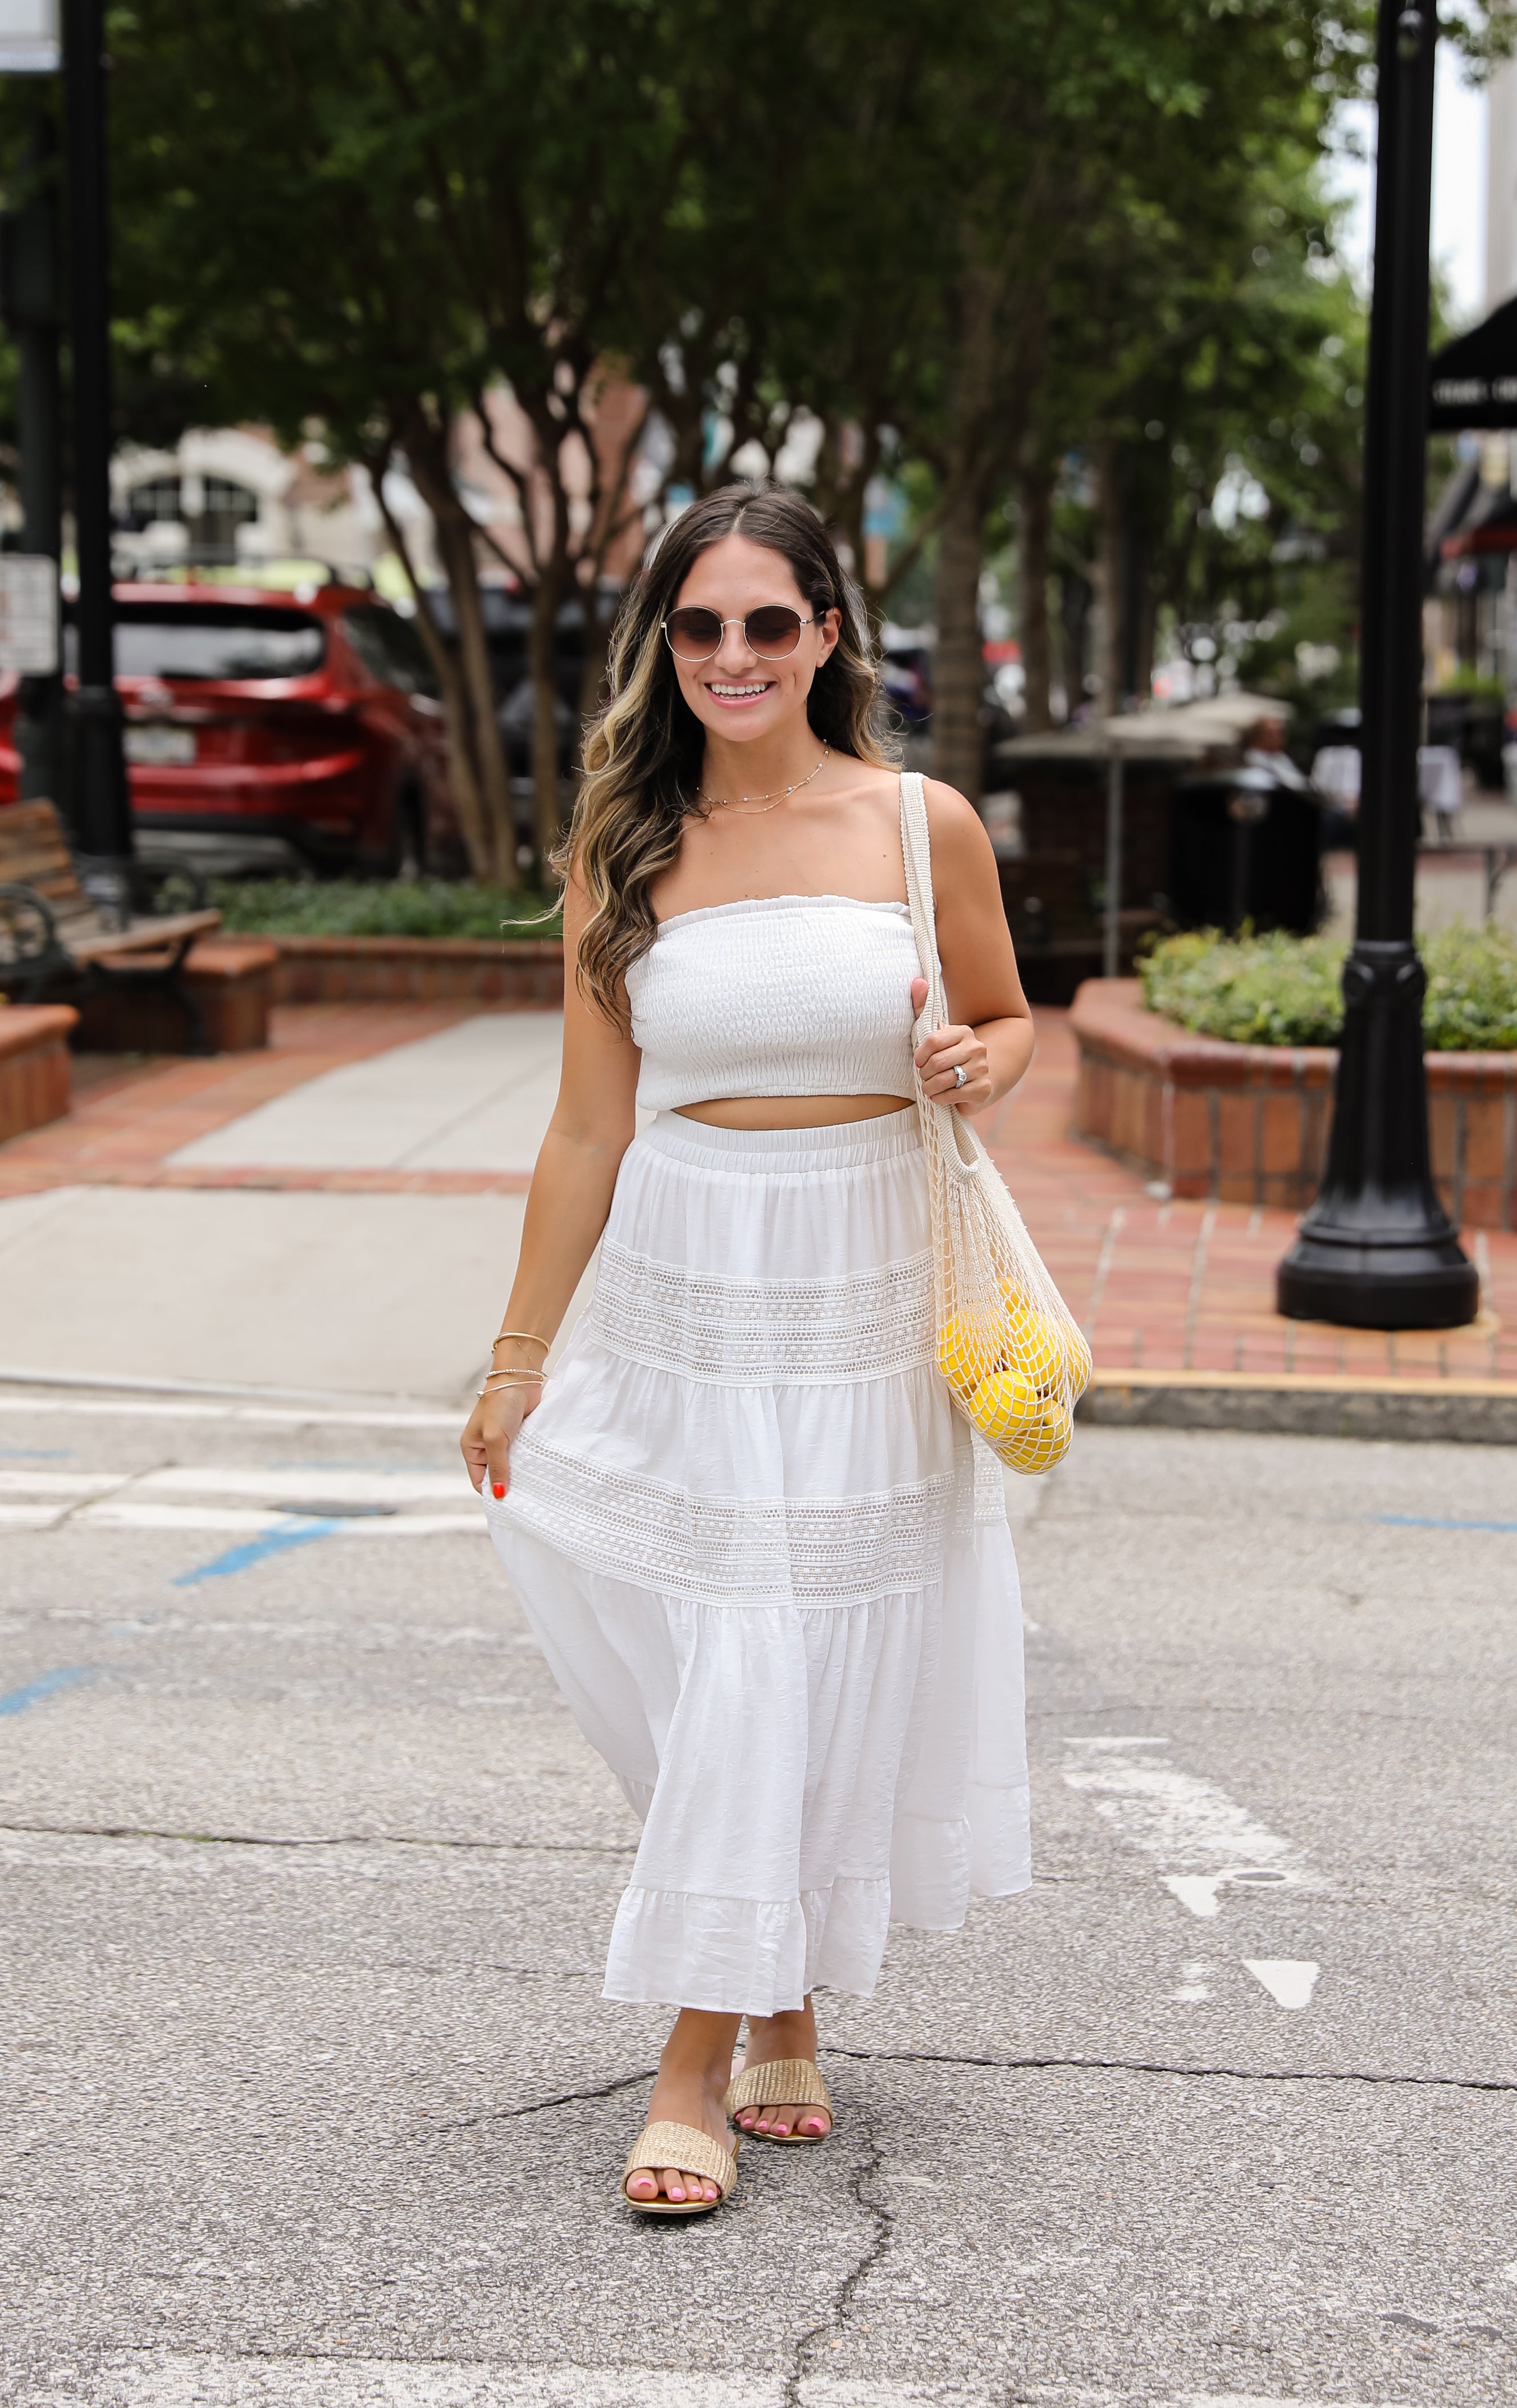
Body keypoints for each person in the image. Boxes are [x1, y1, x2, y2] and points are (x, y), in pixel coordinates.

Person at [460, 484, 1035, 2216]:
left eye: (766, 624)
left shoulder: (919, 823)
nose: (731, 656)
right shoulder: (625, 850)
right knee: (717, 1652)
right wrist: (515, 1356)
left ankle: (692, 2066)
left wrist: (974, 1064)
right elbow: (583, 1132)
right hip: (688, 1286)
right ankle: (771, 1993)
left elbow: (1011, 1018)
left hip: (862, 1285)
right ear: (664, 644)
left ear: (828, 636)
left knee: (780, 1645)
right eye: (698, 626)